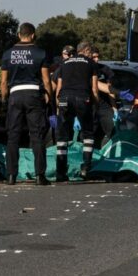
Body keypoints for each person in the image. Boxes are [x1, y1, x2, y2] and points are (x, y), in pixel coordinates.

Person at [0, 22, 53, 185]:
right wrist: (49, 97)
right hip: (33, 94)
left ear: (19, 35)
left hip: (15, 95)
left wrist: (4, 100)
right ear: (33, 35)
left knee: (13, 135)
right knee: (36, 135)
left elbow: (3, 82)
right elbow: (46, 79)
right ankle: (39, 176)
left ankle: (11, 175)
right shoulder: (40, 53)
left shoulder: (8, 54)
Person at [55, 41, 97, 181]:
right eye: (90, 52)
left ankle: (60, 172)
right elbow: (94, 88)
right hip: (82, 97)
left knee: (62, 136)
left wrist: (58, 105)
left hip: (64, 98)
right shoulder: (91, 63)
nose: (91, 55)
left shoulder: (64, 63)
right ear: (85, 51)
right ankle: (86, 167)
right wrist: (94, 103)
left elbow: (58, 87)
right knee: (88, 133)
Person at [90, 49, 118, 147]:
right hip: (89, 105)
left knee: (112, 130)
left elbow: (110, 90)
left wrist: (114, 108)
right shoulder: (83, 69)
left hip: (104, 105)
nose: (96, 59)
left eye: (98, 56)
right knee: (89, 134)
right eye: (94, 57)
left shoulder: (105, 70)